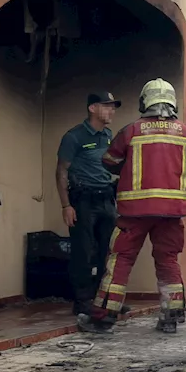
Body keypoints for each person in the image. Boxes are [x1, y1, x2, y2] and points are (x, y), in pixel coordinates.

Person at [78, 78, 186, 335]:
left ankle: (103, 319)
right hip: (172, 212)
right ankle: (171, 316)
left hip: (133, 213)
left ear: (144, 102)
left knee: (120, 260)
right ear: (171, 102)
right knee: (168, 260)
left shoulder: (131, 131)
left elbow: (110, 161)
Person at [55, 92, 126, 316]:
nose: (112, 111)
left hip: (105, 198)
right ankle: (83, 301)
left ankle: (103, 299)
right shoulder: (74, 137)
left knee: (109, 250)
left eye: (113, 107)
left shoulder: (107, 134)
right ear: (93, 108)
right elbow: (61, 171)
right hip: (83, 200)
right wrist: (66, 205)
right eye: (108, 107)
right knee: (83, 252)